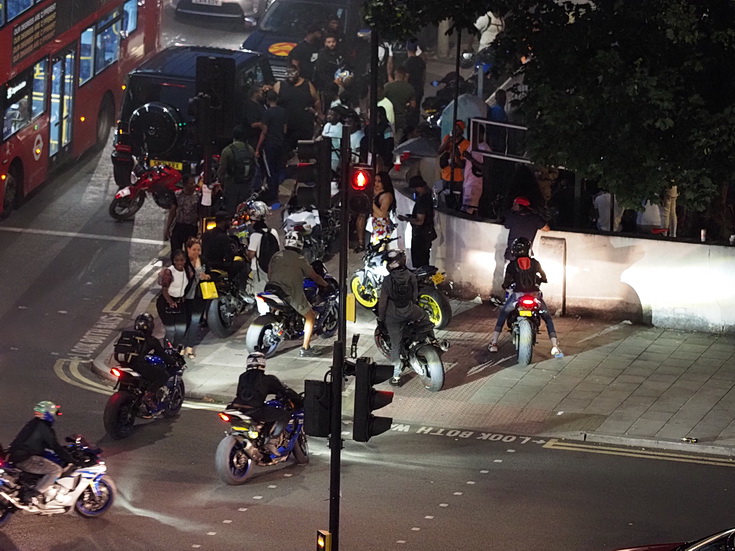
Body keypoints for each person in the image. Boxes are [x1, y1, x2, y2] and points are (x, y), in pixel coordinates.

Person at [488, 237, 563, 358]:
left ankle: (494, 343)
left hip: (517, 297)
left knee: (503, 314)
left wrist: (504, 285)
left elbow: (507, 282)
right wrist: (542, 280)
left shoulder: (511, 265)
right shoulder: (535, 263)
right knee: (547, 318)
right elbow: (543, 276)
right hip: (535, 296)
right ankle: (555, 346)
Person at [229, 352, 303, 460]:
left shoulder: (243, 377)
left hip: (236, 407)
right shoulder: (268, 379)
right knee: (284, 415)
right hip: (255, 410)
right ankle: (271, 442)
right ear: (263, 364)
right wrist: (298, 399)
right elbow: (284, 390)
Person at [377, 250, 436, 385]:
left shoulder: (387, 280)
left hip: (393, 317)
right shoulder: (410, 276)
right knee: (425, 316)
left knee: (395, 344)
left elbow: (382, 303)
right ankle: (433, 340)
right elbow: (414, 296)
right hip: (410, 311)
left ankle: (396, 375)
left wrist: (381, 320)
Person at [267, 231, 330, 357]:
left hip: (272, 288)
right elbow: (315, 277)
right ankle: (306, 348)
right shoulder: (300, 259)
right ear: (300, 244)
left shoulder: (277, 255)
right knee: (310, 316)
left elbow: (269, 272)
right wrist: (326, 285)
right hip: (289, 292)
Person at [7, 401, 75, 505]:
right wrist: (71, 459)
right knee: (55, 470)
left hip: (16, 455)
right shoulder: (44, 428)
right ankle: (33, 494)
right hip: (25, 458)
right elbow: (54, 446)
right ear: (49, 414)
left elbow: (42, 443)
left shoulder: (33, 424)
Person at [115, 312, 178, 413]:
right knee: (163, 375)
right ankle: (148, 395)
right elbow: (162, 354)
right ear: (150, 326)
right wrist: (172, 361)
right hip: (139, 366)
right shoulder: (151, 340)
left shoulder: (128, 335)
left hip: (124, 364)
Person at [274, 65, 321, 151]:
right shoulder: (279, 85)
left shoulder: (307, 84)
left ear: (298, 73)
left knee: (305, 151)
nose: (290, 76)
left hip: (304, 126)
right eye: (288, 73)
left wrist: (318, 114)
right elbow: (273, 102)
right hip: (286, 127)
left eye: (292, 73)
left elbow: (316, 100)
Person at [202, 210, 249, 296]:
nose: (229, 222)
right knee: (242, 264)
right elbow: (229, 257)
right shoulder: (224, 237)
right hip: (220, 265)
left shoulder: (206, 234)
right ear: (222, 222)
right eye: (227, 220)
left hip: (208, 265)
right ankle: (242, 290)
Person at [256, 90, 288, 204]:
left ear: (267, 100)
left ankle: (272, 196)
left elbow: (264, 132)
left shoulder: (267, 113)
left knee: (270, 171)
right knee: (277, 169)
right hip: (280, 144)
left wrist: (257, 148)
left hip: (269, 144)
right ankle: (276, 193)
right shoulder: (283, 112)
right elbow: (285, 130)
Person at [156, 249, 192, 347]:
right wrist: (170, 302)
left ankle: (174, 348)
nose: (180, 263)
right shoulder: (169, 272)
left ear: (185, 260)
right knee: (171, 330)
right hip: (166, 302)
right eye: (177, 260)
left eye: (182, 260)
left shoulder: (187, 271)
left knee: (182, 329)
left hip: (179, 302)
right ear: (174, 261)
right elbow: (164, 290)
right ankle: (167, 349)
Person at [398, 175, 436, 268]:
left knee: (420, 261)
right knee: (424, 259)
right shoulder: (428, 197)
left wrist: (406, 219)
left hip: (420, 235)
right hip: (426, 233)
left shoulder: (422, 201)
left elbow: (419, 221)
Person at [217, 125, 256, 215]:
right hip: (246, 185)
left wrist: (221, 183)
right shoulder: (250, 149)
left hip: (231, 185)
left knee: (231, 210)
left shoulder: (227, 150)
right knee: (243, 210)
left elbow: (222, 170)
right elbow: (254, 166)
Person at [183, 237, 211, 359]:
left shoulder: (203, 261)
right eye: (193, 249)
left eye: (198, 250)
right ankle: (181, 346)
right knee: (184, 322)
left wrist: (207, 276)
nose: (196, 252)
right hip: (184, 297)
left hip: (199, 297)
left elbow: (208, 275)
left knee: (194, 323)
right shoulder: (183, 261)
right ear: (187, 249)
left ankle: (189, 348)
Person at [245, 201, 281, 293]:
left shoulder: (255, 236)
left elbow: (251, 255)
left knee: (260, 297)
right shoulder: (273, 232)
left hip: (259, 271)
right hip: (273, 270)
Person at [502, 196, 550, 261]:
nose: (513, 206)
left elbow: (506, 225)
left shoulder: (513, 217)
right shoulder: (535, 218)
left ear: (519, 206)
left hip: (511, 255)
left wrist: (511, 211)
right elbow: (547, 228)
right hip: (526, 256)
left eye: (515, 204)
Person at [165, 174, 201, 253]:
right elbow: (172, 212)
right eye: (190, 183)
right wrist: (167, 228)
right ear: (185, 185)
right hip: (179, 227)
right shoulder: (177, 195)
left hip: (191, 228)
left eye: (193, 183)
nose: (193, 185)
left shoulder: (198, 196)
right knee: (176, 251)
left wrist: (200, 230)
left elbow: (201, 214)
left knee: (190, 254)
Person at [437, 120, 469, 209]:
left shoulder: (466, 144)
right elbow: (439, 151)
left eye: (458, 128)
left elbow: (462, 164)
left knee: (456, 201)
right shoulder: (447, 138)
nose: (456, 129)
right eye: (455, 127)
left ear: (462, 131)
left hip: (457, 177)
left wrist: (456, 152)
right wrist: (447, 142)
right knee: (445, 199)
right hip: (445, 175)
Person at [462, 127, 491, 215]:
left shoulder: (484, 148)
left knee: (468, 211)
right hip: (467, 182)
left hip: (474, 184)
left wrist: (470, 158)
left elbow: (485, 168)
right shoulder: (472, 146)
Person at [383, 66, 416, 143]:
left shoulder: (388, 87)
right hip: (401, 119)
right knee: (398, 139)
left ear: (395, 74)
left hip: (388, 118)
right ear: (404, 75)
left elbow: (380, 100)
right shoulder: (410, 88)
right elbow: (413, 106)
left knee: (388, 139)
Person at [313, 33, 345, 108]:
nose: (332, 44)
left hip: (339, 83)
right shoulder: (322, 55)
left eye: (333, 42)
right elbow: (320, 72)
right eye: (329, 42)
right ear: (325, 43)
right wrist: (331, 82)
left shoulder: (339, 53)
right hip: (325, 87)